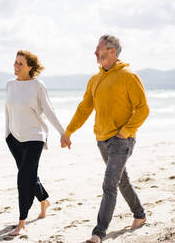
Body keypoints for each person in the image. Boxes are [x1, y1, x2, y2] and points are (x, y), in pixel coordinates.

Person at [60, 35, 149, 243]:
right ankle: (140, 214)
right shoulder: (95, 79)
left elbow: (143, 109)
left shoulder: (128, 76)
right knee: (121, 181)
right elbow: (84, 109)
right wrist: (69, 131)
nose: (94, 53)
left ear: (112, 52)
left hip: (121, 140)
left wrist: (126, 131)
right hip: (102, 140)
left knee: (110, 183)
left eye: (98, 49)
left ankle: (99, 233)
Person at [5, 50, 68, 236]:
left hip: (35, 137)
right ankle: (44, 200)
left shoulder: (37, 86)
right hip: (14, 138)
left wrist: (62, 132)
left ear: (30, 67)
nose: (16, 66)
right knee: (29, 175)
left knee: (24, 177)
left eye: (21, 64)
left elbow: (49, 111)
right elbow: (8, 111)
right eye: (15, 62)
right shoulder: (9, 85)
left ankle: (21, 222)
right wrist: (7, 134)